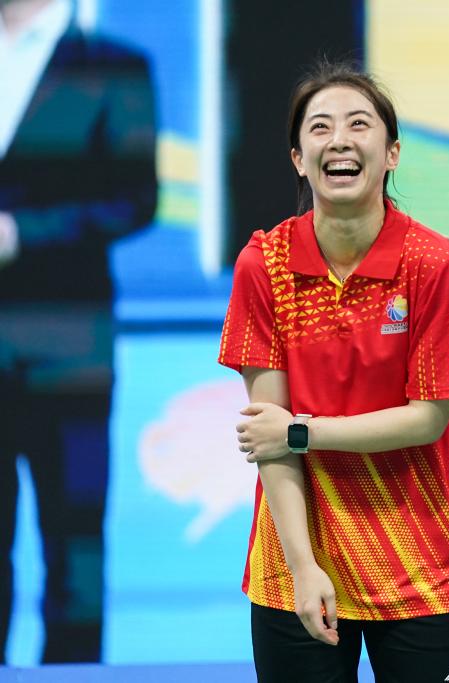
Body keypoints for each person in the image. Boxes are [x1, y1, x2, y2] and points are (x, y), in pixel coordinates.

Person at [218, 60, 449, 683]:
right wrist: (302, 567)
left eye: (359, 124)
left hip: (420, 569)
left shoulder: (432, 262)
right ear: (298, 159)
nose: (339, 139)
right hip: (295, 568)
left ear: (391, 154)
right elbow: (267, 438)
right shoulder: (264, 263)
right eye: (320, 127)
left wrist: (301, 431)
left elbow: (427, 419)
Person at [0, 0, 157, 663]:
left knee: (74, 546)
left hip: (69, 345)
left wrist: (22, 234)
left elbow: (135, 199)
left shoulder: (114, 67)